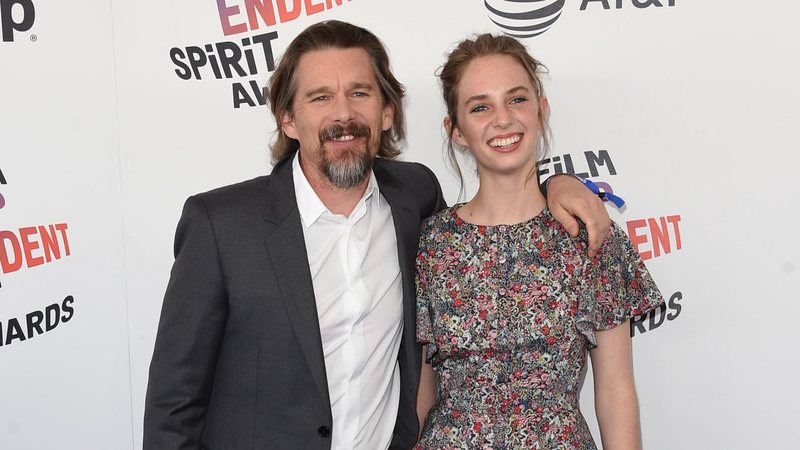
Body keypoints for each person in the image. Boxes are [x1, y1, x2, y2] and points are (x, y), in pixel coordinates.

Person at [143, 21, 610, 450]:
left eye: (360, 93)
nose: (343, 114)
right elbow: (173, 405)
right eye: (321, 97)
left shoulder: (417, 199)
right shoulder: (220, 225)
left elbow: (498, 219)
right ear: (288, 119)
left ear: (388, 112)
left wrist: (556, 185)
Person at [414, 34, 665, 449]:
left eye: (517, 99)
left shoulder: (591, 235)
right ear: (456, 130)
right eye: (480, 107)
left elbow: (616, 392)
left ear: (541, 109)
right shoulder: (431, 245)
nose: (503, 119)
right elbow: (420, 397)